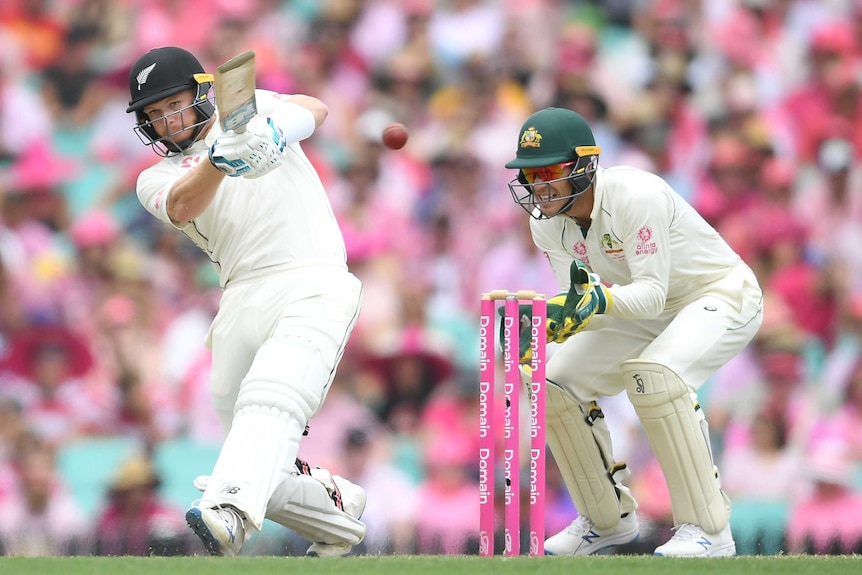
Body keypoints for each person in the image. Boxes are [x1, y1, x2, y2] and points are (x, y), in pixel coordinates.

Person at [125, 46, 366, 558]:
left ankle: (230, 513)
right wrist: (217, 161)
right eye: (154, 115)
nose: (166, 121)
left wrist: (275, 131)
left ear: (200, 94)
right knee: (254, 453)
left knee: (270, 396)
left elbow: (315, 108)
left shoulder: (250, 109)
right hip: (239, 297)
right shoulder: (156, 177)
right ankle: (337, 512)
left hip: (312, 277)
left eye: (174, 105)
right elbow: (184, 202)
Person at [503, 107, 763, 557]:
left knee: (657, 375)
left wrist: (592, 302)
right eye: (529, 175)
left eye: (547, 172)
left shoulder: (635, 194)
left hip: (718, 292)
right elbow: (583, 296)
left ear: (583, 165)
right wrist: (551, 323)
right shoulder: (545, 223)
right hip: (639, 306)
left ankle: (708, 531)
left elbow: (651, 296)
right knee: (551, 378)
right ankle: (606, 522)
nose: (536, 186)